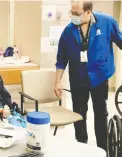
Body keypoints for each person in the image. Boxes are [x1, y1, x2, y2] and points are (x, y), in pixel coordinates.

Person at [54, 0, 122, 151]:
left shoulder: (107, 23)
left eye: (76, 13)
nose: (73, 16)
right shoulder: (68, 31)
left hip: (100, 76)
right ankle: (81, 147)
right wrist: (57, 82)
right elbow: (61, 60)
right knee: (79, 113)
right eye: (71, 12)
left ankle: (102, 149)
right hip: (78, 78)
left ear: (88, 12)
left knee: (100, 112)